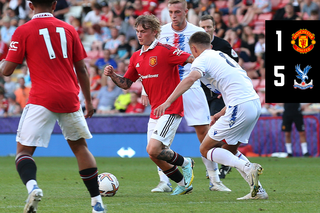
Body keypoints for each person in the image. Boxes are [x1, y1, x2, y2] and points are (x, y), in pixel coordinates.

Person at [0, 0, 106, 212]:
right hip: (69, 97)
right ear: (55, 4)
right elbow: (82, 70)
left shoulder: (23, 31)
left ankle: (33, 188)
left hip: (42, 98)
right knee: (80, 148)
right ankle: (97, 203)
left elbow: (8, 71)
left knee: (23, 152)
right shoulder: (69, 29)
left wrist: (3, 62)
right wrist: (87, 100)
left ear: (31, 5)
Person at [154, 31, 268, 200]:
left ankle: (247, 166)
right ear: (210, 45)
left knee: (205, 149)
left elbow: (190, 78)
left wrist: (168, 101)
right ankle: (258, 191)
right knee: (230, 149)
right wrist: (221, 113)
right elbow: (237, 84)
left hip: (239, 106)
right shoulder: (221, 55)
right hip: (252, 103)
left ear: (193, 48)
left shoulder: (201, 59)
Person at [104, 14, 195, 195]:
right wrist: (113, 75)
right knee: (153, 154)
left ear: (154, 32)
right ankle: (184, 184)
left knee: (154, 148)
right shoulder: (137, 56)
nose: (139, 35)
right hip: (155, 111)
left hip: (171, 107)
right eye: (137, 31)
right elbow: (126, 84)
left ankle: (186, 162)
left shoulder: (166, 50)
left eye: (143, 32)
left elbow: (191, 59)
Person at [145, 0, 229, 193]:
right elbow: (151, 59)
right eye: (171, 12)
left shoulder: (196, 32)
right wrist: (144, 89)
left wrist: (214, 85)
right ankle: (165, 181)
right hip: (167, 90)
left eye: (177, 12)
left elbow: (207, 60)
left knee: (204, 134)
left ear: (186, 11)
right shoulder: (162, 32)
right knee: (159, 139)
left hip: (192, 87)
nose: (174, 16)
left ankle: (215, 180)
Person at [199, 14, 238, 180]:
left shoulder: (223, 45)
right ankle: (220, 165)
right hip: (202, 95)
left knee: (215, 130)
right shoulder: (196, 46)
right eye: (203, 27)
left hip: (218, 95)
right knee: (207, 132)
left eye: (209, 27)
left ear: (215, 27)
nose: (206, 30)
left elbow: (234, 65)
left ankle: (222, 166)